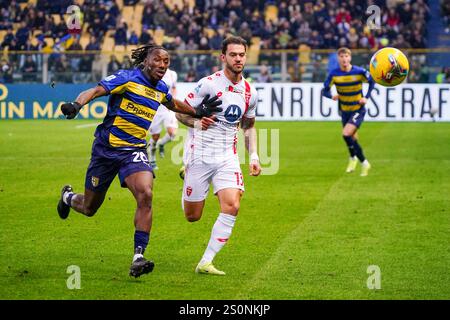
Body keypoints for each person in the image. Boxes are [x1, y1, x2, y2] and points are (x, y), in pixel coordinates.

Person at [56, 44, 222, 278]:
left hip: (133, 151)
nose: (162, 65)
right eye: (158, 60)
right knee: (89, 208)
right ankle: (67, 197)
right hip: (105, 151)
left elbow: (174, 104)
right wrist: (77, 104)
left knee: (146, 193)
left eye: (166, 62)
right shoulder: (126, 78)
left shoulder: (161, 89)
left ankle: (138, 256)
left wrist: (199, 111)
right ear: (146, 60)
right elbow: (95, 91)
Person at [176, 36, 262, 275]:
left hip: (227, 157)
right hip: (200, 155)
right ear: (223, 57)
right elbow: (179, 114)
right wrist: (195, 121)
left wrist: (253, 156)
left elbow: (249, 126)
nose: (238, 59)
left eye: (242, 55)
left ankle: (206, 261)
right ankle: (187, 178)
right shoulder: (208, 84)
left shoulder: (250, 92)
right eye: (233, 54)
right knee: (192, 216)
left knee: (233, 205)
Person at [322, 47, 375, 176]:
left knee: (346, 134)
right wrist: (332, 96)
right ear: (338, 59)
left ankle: (361, 161)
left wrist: (366, 97)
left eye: (346, 56)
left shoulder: (359, 72)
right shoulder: (334, 74)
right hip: (345, 111)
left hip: (358, 110)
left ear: (350, 58)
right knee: (352, 138)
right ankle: (356, 160)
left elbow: (372, 81)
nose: (344, 59)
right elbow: (324, 91)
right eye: (341, 56)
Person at [147, 68, 179, 169]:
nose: (162, 63)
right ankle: (152, 159)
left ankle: (161, 144)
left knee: (172, 133)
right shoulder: (150, 73)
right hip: (155, 109)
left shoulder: (172, 74)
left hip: (167, 107)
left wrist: (173, 99)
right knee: (155, 137)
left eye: (165, 61)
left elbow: (174, 87)